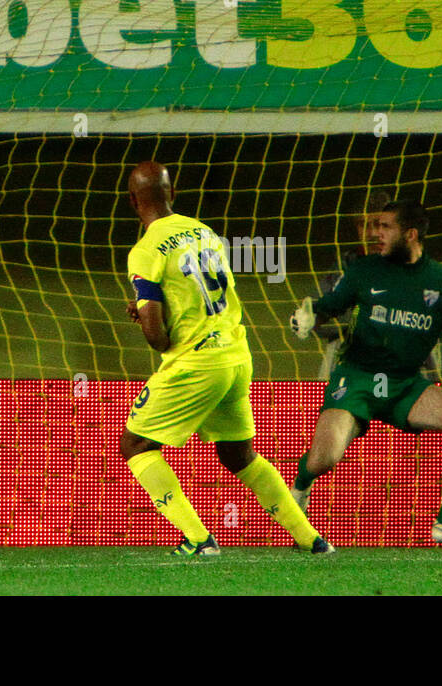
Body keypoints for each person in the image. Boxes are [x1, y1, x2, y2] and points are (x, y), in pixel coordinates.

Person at [120, 161, 334, 556]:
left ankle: (199, 540)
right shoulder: (206, 233)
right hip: (236, 357)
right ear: (173, 194)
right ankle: (312, 540)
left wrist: (146, 316)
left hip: (198, 363)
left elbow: (157, 337)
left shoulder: (145, 251)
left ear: (133, 201)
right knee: (238, 453)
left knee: (135, 443)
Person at [288, 199, 442, 548]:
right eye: (375, 226)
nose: (376, 233)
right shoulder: (365, 269)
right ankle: (299, 490)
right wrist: (306, 317)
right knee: (323, 459)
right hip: (357, 379)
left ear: (410, 234)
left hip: (406, 384)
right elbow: (327, 308)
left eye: (385, 227)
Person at [314, 189, 442, 381]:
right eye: (363, 225)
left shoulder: (421, 270)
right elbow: (318, 321)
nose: (372, 233)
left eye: (378, 224)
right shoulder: (344, 268)